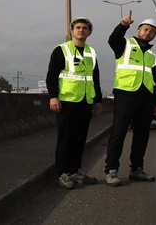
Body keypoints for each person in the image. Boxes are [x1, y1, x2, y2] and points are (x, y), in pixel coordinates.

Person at [104, 12, 156, 186]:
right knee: (119, 132)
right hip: (126, 94)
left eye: (152, 31)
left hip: (145, 98)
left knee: (142, 135)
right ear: (138, 30)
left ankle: (137, 169)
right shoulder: (125, 45)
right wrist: (123, 25)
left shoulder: (152, 56)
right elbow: (112, 40)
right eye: (145, 29)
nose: (147, 33)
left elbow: (154, 81)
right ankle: (111, 170)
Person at [46, 17, 104, 189]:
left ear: (89, 32)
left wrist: (98, 100)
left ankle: (75, 171)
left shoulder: (91, 53)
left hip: (85, 101)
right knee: (66, 138)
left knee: (80, 138)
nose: (81, 30)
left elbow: (95, 78)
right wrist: (53, 96)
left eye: (85, 28)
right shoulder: (61, 50)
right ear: (72, 31)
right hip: (67, 101)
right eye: (78, 27)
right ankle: (63, 173)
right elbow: (52, 75)